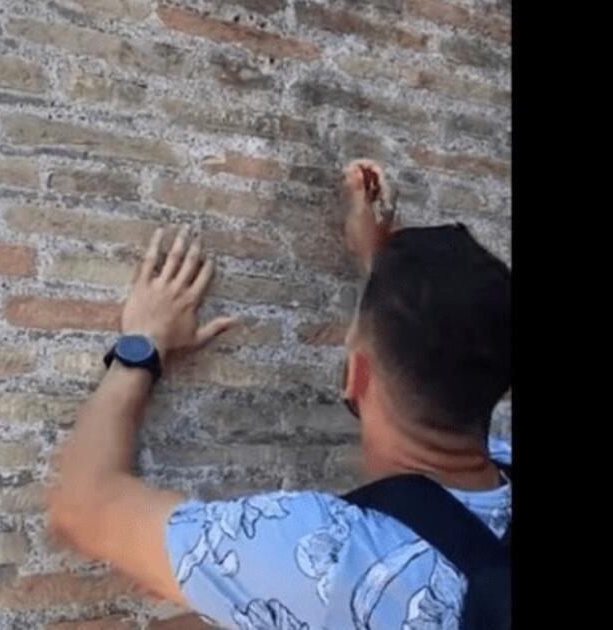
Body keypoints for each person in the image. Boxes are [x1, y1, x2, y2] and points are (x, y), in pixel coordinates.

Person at [47, 160, 512, 629]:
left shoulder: (325, 558)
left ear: (357, 377)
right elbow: (452, 343)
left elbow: (84, 506)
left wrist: (142, 345)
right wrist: (386, 268)